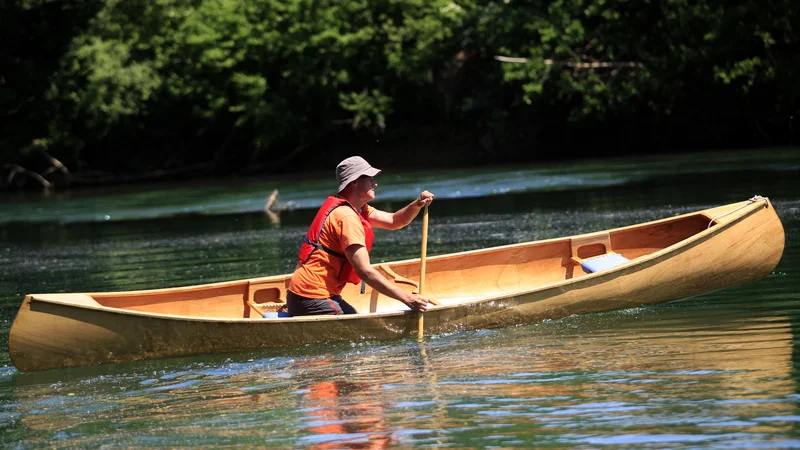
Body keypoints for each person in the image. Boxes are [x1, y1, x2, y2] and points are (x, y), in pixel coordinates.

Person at [287, 156, 434, 316]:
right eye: (370, 178)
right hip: (312, 296)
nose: (375, 183)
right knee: (363, 330)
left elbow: (394, 221)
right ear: (354, 182)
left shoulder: (358, 209)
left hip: (304, 294)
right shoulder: (347, 217)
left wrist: (417, 204)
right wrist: (408, 299)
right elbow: (365, 272)